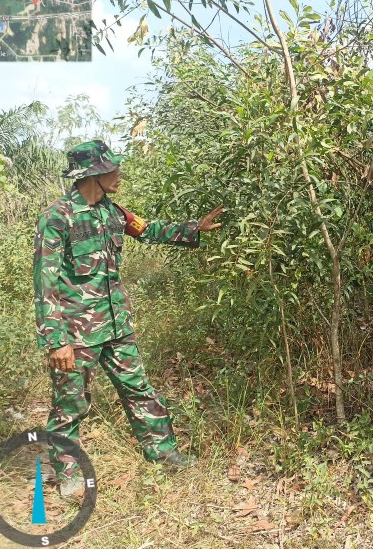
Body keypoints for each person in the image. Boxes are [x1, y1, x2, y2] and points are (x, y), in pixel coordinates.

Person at [33, 140, 223, 496]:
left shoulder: (112, 212)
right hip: (76, 334)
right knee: (71, 404)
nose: (119, 174)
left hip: (117, 325)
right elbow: (45, 283)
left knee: (138, 389)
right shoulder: (57, 217)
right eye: (113, 169)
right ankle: (69, 473)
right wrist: (56, 341)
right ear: (94, 175)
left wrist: (193, 228)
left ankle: (163, 453)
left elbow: (147, 229)